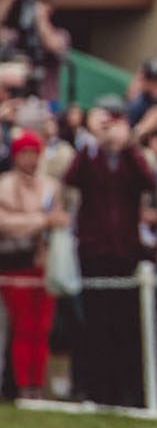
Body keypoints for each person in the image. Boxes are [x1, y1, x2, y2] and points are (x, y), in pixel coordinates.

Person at [63, 109, 157, 405]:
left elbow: (148, 180)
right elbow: (72, 177)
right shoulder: (90, 158)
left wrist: (129, 144)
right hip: (95, 251)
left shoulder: (131, 160)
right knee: (95, 324)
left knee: (124, 325)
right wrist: (92, 141)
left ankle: (124, 391)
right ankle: (95, 389)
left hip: (125, 251)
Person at [0, 131, 68, 398]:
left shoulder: (50, 186)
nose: (29, 158)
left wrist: (51, 221)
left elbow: (60, 217)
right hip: (15, 264)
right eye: (24, 153)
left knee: (42, 327)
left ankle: (36, 384)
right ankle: (20, 382)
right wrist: (40, 221)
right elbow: (4, 222)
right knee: (23, 326)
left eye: (33, 153)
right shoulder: (4, 185)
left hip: (44, 262)